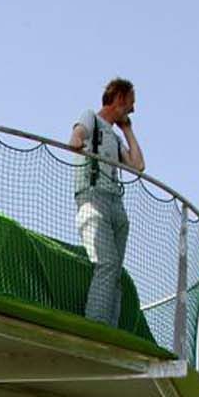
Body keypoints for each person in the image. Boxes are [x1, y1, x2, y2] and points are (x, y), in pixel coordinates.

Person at [70, 78, 145, 327]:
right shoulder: (91, 117)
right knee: (107, 263)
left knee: (116, 272)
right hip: (93, 197)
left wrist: (128, 130)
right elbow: (77, 135)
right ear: (120, 99)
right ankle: (97, 323)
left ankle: (110, 325)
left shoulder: (114, 136)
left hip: (116, 204)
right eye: (131, 103)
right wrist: (77, 141)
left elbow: (138, 165)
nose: (133, 109)